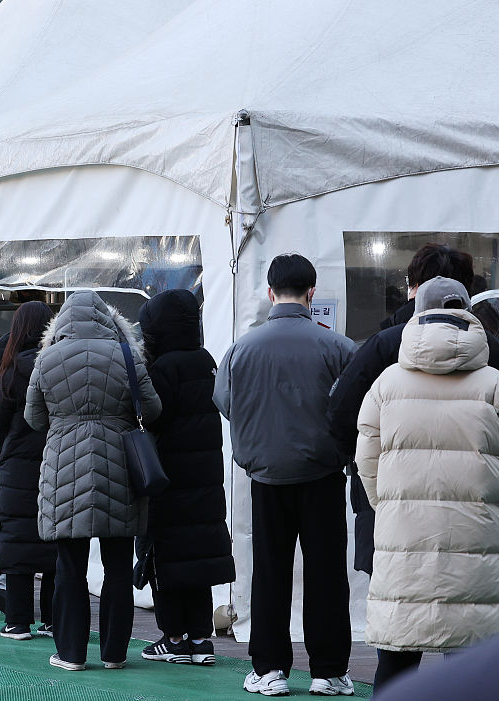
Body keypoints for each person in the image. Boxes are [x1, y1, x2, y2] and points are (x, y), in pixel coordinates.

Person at [356, 277, 499, 693]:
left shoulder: (385, 386)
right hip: (477, 537)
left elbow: (367, 461)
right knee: (476, 667)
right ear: (470, 314)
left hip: (404, 540)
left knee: (397, 662)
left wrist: (391, 507)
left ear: (417, 313)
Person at [329, 243, 499, 580]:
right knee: (474, 602)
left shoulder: (383, 346)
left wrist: (377, 490)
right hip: (476, 508)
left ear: (415, 288)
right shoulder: (492, 349)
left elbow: (341, 415)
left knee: (402, 604)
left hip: (395, 506)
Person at [214, 254, 357, 697]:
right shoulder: (337, 347)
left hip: (267, 477)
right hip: (323, 474)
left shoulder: (242, 349)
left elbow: (224, 402)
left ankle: (270, 668)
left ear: (270, 293)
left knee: (269, 573)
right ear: (311, 293)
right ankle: (328, 671)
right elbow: (357, 407)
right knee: (327, 574)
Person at [24, 289, 161, 672]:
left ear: (62, 322)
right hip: (119, 467)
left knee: (70, 566)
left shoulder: (47, 358)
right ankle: (114, 653)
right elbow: (152, 409)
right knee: (117, 564)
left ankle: (70, 653)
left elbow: (33, 417)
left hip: (64, 468)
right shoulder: (128, 356)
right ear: (107, 319)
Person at [133, 289, 235, 666]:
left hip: (170, 476)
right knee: (199, 558)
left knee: (168, 556)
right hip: (205, 476)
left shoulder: (164, 368)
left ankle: (173, 638)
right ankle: (200, 639)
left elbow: (154, 416)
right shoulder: (205, 359)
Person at [0, 301, 55, 641]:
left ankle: (18, 620)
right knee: (56, 538)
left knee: (17, 538)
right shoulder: (58, 366)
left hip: (17, 465)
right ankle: (55, 618)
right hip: (56, 461)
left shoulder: (11, 372)